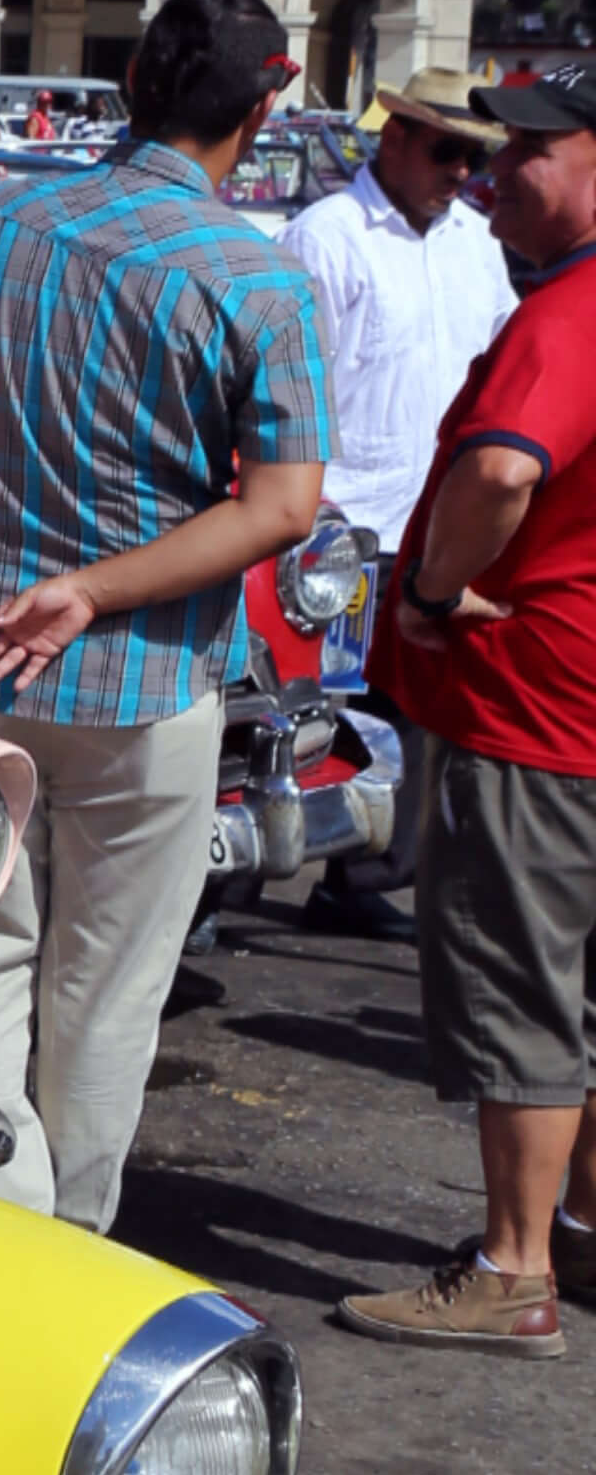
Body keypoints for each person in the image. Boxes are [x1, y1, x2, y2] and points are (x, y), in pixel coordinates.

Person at [0, 0, 328, 1225]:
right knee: (106, 996)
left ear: (135, 84)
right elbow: (282, 508)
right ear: (262, 106)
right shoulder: (257, 284)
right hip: (144, 688)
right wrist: (89, 591)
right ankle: (62, 1245)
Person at [334, 68, 596, 1350]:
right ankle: (577, 1236)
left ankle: (513, 1268)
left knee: (517, 989)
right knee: (579, 987)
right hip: (578, 704)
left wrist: (435, 589)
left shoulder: (572, 314)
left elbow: (500, 469)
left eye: (530, 154)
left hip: (536, 707)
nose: (495, 177)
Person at [282, 74, 514, 930]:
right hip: (342, 524)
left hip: (430, 519)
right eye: (446, 150)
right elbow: (291, 385)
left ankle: (367, 881)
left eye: (474, 155)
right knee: (302, 707)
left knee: (410, 713)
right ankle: (229, 882)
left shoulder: (477, 244)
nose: (462, 171)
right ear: (395, 141)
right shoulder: (328, 238)